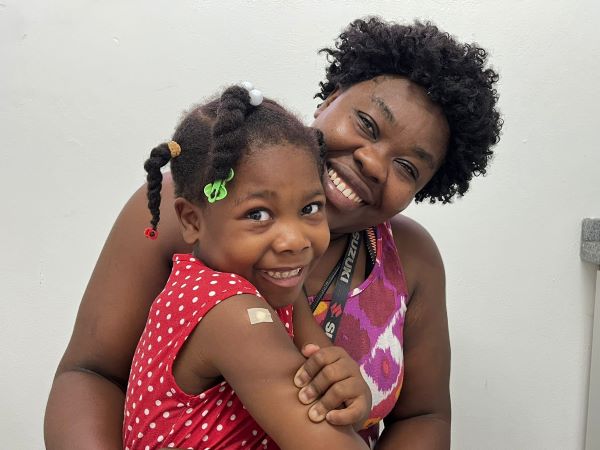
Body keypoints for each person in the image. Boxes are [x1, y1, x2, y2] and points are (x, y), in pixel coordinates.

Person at [45, 17, 502, 449]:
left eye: (407, 166)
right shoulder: (191, 201)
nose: (373, 162)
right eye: (366, 124)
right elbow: (91, 371)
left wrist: (353, 395)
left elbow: (424, 416)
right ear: (330, 98)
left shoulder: (412, 259)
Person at [122, 84, 369, 450]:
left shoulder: (278, 291)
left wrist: (350, 394)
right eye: (258, 214)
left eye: (310, 208)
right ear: (192, 220)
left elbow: (330, 401)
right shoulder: (233, 313)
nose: (295, 240)